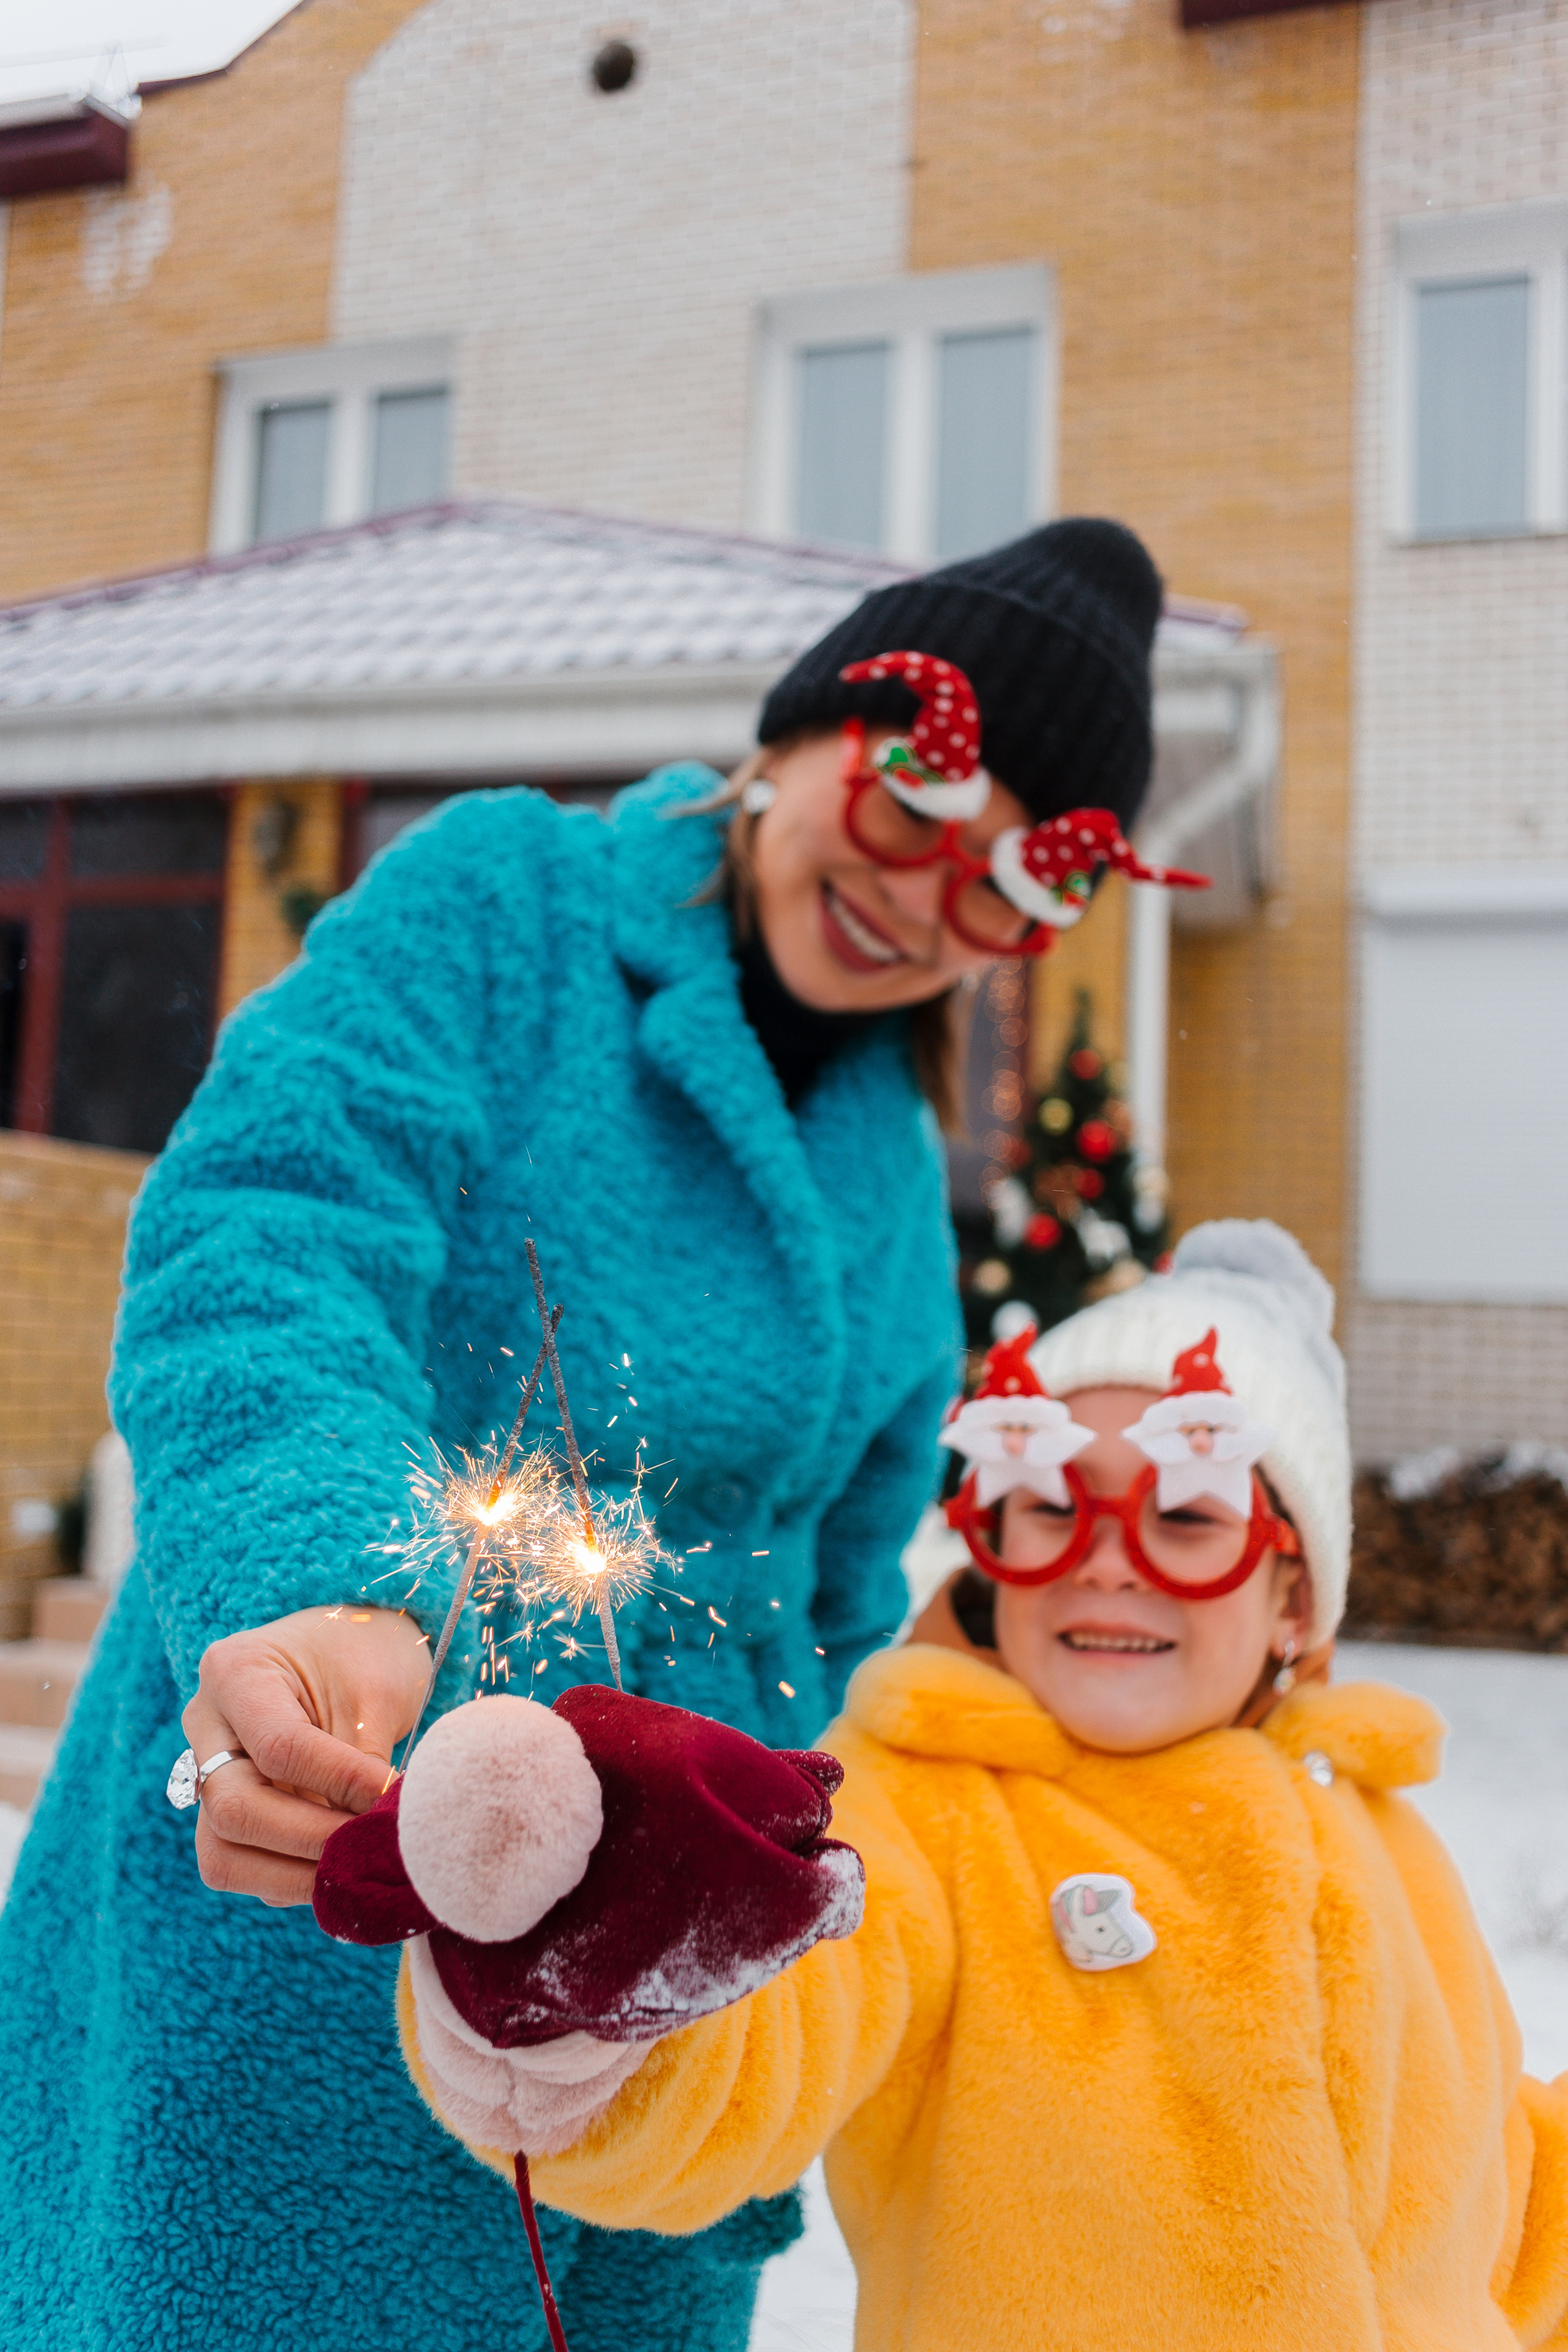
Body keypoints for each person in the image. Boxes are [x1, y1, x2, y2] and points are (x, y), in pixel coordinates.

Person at [0, 519, 1184, 2352]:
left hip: (658, 1980)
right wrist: (330, 1580)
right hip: (342, 1832)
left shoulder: (889, 1164)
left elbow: (841, 1586)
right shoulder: (506, 908)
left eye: (1008, 890)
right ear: (793, 741)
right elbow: (271, 1226)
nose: (924, 907)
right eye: (903, 813)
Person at [388, 1221, 1568, 2352]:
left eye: (1188, 1519)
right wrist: (599, 1977)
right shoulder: (931, 1818)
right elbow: (774, 2047)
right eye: (1051, 1509)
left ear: (1297, 1600)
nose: (1107, 1561)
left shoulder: (1381, 1832)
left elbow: (1500, 2208)